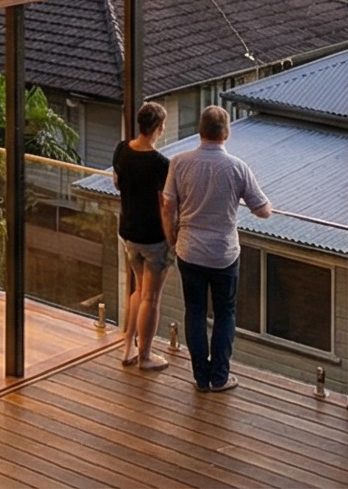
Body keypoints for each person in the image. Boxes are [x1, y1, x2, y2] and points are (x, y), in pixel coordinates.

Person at [165, 104, 272, 393]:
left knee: (195, 312)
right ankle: (220, 377)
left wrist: (172, 238)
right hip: (224, 254)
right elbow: (263, 210)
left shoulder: (179, 162)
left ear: (200, 130)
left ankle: (201, 377)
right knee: (225, 313)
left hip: (189, 249)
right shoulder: (237, 167)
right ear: (226, 133)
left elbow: (168, 205)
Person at [110, 102, 174, 370]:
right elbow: (165, 206)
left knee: (138, 290)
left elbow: (116, 182)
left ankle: (128, 348)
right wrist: (171, 240)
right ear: (158, 128)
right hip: (153, 237)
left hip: (129, 232)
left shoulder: (122, 150)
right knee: (151, 297)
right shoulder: (160, 164)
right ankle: (145, 356)